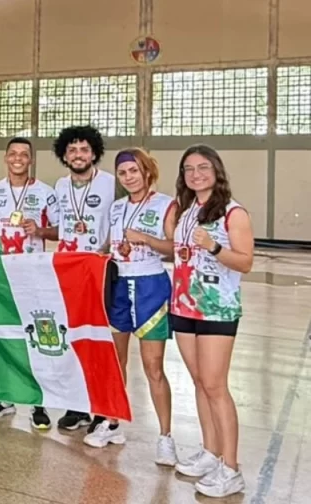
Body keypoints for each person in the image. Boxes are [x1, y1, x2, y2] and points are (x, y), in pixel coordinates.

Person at [83, 148, 177, 464]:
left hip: (150, 287)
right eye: (123, 173)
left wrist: (146, 240)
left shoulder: (166, 205)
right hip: (119, 286)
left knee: (152, 366)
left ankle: (166, 437)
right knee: (114, 360)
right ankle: (111, 422)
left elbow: (177, 250)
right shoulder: (117, 207)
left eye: (134, 171)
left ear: (147, 171)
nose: (128, 177)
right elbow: (110, 246)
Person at [171, 145, 252, 498]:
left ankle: (231, 468)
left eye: (203, 167)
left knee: (216, 386)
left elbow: (246, 262)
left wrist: (215, 248)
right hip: (183, 306)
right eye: (189, 169)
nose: (196, 174)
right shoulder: (186, 210)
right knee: (200, 383)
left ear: (216, 171)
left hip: (216, 309)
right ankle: (210, 452)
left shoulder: (234, 214)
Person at [0, 137, 60, 429]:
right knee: (3, 335)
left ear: (31, 160)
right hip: (1, 275)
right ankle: (5, 396)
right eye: (13, 154)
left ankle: (39, 401)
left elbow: (61, 230)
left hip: (33, 275)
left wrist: (41, 230)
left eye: (24, 154)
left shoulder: (46, 193)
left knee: (35, 336)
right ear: (6, 158)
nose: (18, 158)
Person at [45, 125, 116, 431]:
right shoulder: (60, 186)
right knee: (72, 337)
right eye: (72, 150)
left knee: (98, 339)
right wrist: (36, 231)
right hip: (68, 269)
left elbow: (120, 223)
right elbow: (60, 227)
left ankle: (100, 407)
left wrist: (103, 252)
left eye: (84, 150)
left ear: (94, 153)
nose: (78, 155)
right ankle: (77, 406)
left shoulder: (112, 184)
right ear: (64, 154)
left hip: (100, 268)